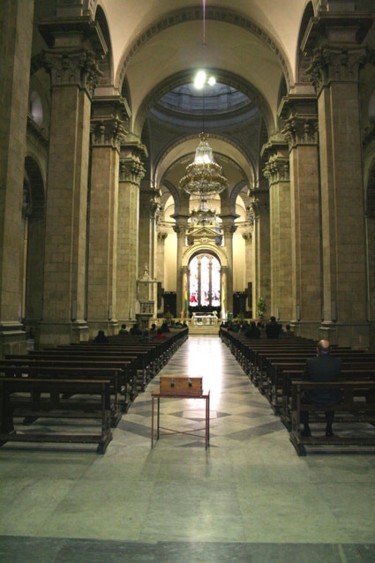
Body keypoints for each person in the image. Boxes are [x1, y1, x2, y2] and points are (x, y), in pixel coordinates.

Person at [301, 339, 342, 437]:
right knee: (330, 392)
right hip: (333, 397)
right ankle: (329, 428)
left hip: (313, 397)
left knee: (301, 399)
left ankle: (306, 428)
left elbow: (304, 378)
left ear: (317, 350)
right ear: (330, 349)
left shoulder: (310, 362)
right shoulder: (337, 362)